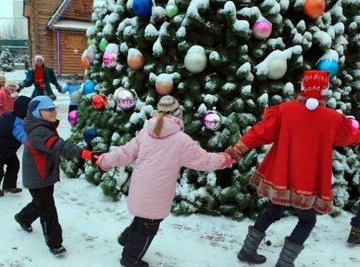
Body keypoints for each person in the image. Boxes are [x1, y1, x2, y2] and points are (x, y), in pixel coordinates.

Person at [225, 70, 360, 266]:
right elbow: (352, 135)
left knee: (272, 210)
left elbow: (259, 133)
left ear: (303, 87)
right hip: (308, 180)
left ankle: (247, 250)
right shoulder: (333, 119)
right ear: (325, 90)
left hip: (281, 175)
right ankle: (284, 263)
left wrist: (237, 150)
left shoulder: (284, 110)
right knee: (307, 220)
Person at [95, 95, 234, 267]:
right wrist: (223, 160)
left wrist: (105, 161)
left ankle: (126, 238)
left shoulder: (145, 133)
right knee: (148, 227)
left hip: (140, 189)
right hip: (157, 194)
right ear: (178, 115)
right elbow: (203, 160)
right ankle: (130, 259)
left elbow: (124, 152)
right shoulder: (181, 141)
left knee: (143, 218)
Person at [14, 96, 99, 256]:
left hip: (44, 175)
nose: (54, 111)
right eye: (49, 109)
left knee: (42, 203)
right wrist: (87, 154)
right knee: (48, 210)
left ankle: (23, 217)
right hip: (37, 178)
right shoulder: (39, 132)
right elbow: (60, 147)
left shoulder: (44, 126)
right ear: (37, 113)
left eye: (53, 108)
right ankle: (55, 243)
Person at [0, 96, 31, 197]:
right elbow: (21, 135)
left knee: (14, 165)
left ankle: (9, 186)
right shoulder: (17, 122)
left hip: (8, 150)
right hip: (2, 149)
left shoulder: (13, 116)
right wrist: (30, 143)